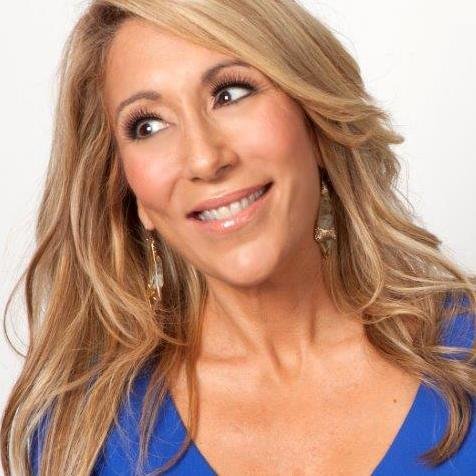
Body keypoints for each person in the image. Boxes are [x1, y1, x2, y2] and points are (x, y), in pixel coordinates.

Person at [1, 0, 475, 474]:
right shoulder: (81, 436)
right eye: (148, 125)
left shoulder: (465, 355)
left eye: (229, 94)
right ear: (131, 191)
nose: (205, 159)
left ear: (314, 120)